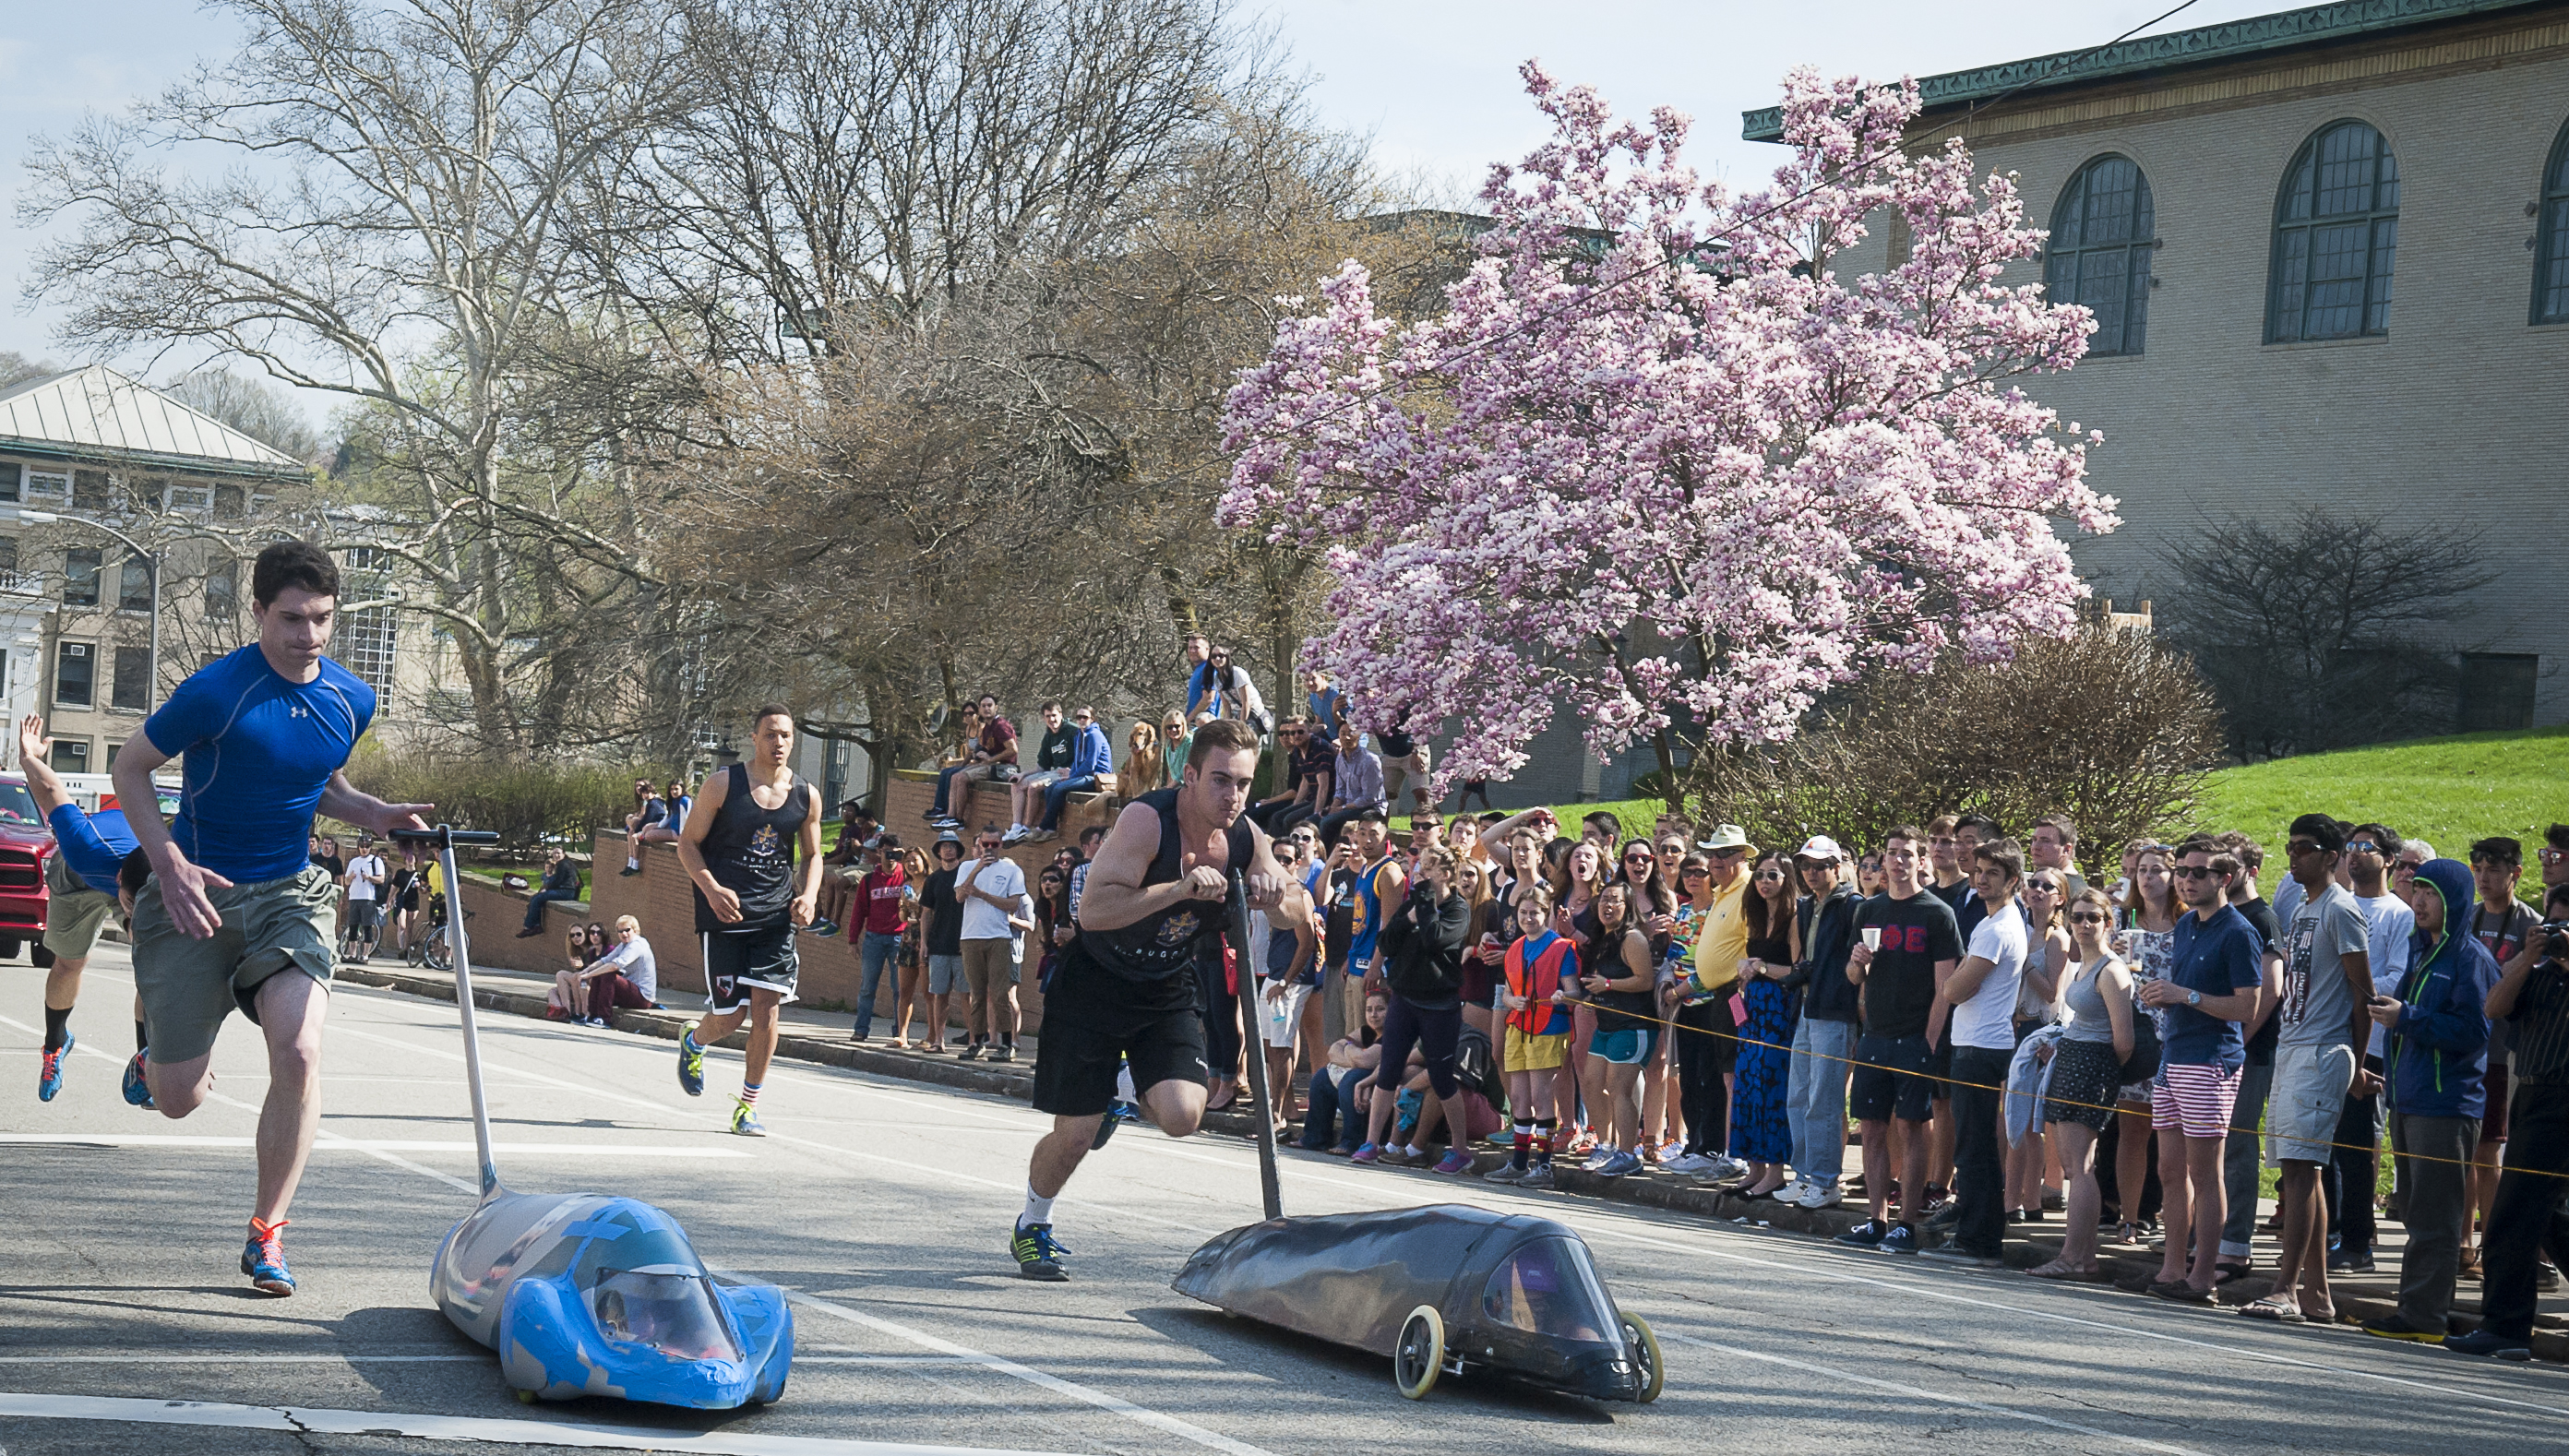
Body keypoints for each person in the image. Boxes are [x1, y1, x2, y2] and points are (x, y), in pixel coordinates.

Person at [114, 539, 430, 1297]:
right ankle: (153, 1051)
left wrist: (375, 811)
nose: (308, 636)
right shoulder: (215, 691)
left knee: (299, 1054)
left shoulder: (352, 699)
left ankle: (268, 1234)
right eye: (291, 618)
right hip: (193, 895)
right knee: (177, 1099)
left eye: (321, 619)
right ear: (258, 611)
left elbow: (320, 784)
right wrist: (167, 863)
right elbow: (130, 768)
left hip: (291, 893)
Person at [1013, 718, 1285, 1281]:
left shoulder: (1245, 836)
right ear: (1188, 776)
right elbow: (1093, 913)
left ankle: (1121, 1086)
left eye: (1243, 783)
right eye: (1219, 780)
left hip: (1163, 987)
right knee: (1076, 1135)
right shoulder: (1146, 822)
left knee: (1186, 1115)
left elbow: (1294, 907)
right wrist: (1179, 889)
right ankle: (1032, 1225)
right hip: (1095, 983)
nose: (1232, 796)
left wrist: (1276, 893)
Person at [2238, 815, 2375, 1325]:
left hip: (2323, 1050)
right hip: (2293, 1046)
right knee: (2298, 1171)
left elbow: (2363, 997)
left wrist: (2356, 1067)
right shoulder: (2302, 907)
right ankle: (2316, 1295)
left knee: (2302, 1172)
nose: (2294, 856)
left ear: (2331, 857)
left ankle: (2286, 1288)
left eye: (2305, 848)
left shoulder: (2342, 910)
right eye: (2290, 847)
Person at [2360, 857, 2500, 1343]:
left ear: (2454, 900)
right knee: (2417, 1212)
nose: (2418, 900)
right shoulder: (2422, 952)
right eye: (2416, 890)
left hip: (2446, 1106)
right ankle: (2413, 1309)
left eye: (2431, 893)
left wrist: (2409, 1017)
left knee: (2437, 1217)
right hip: (2409, 1099)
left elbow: (2474, 1031)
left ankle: (2424, 1318)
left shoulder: (2471, 959)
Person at [673, 706, 824, 1138]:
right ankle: (694, 1040)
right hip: (725, 917)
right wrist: (711, 889)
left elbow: (814, 855)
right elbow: (688, 845)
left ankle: (747, 1107)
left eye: (787, 736)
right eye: (771, 734)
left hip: (776, 917)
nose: (779, 743)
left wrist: (809, 895)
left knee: (767, 1011)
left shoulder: (806, 796)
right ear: (754, 738)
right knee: (729, 1018)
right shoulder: (723, 785)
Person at [2131, 840, 2264, 1304]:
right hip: (2174, 1054)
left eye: (2199, 872)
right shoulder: (2187, 924)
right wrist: (2160, 994)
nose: (2189, 879)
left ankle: (2204, 1275)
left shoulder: (2239, 931)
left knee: (2205, 1172)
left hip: (2211, 1060)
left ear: (2224, 878)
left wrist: (2183, 995)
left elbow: (2247, 1007)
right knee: (2170, 1170)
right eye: (2182, 871)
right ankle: (2172, 1268)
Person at [2448, 884, 2569, 1358]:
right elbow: (2494, 1006)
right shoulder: (2538, 972)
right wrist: (2528, 956)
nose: (2559, 935)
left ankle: (2506, 1325)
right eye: (2553, 924)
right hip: (2532, 1092)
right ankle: (2505, 1325)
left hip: (2563, 1099)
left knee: (2511, 1215)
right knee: (2546, 1216)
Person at [1836, 826, 1961, 1257]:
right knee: (1871, 1129)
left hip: (1914, 1038)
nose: (1899, 861)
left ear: (1920, 860)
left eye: (1908, 854)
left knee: (1912, 1127)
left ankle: (1906, 1222)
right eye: (1892, 853)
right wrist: (1857, 964)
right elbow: (1855, 979)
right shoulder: (1868, 910)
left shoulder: (1937, 914)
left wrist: (1928, 1042)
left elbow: (1945, 987)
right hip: (1875, 1035)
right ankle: (1875, 1219)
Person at [18, 713, 145, 1104]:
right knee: (68, 964)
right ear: (123, 887)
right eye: (132, 907)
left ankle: (148, 1058)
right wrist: (28, 756)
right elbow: (51, 788)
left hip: (142, 874)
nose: (134, 918)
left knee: (154, 963)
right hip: (78, 877)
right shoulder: (84, 845)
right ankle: (55, 1044)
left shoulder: (178, 864)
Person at [1922, 839, 2028, 1269]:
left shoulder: (1998, 928)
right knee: (1974, 1143)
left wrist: (1954, 980)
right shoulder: (1994, 923)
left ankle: (1980, 1240)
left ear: (2012, 881)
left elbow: (1955, 988)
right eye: (1979, 871)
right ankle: (1973, 1232)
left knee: (1975, 1147)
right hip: (1975, 1042)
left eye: (1993, 874)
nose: (1981, 879)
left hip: (1981, 1046)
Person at [2029, 888, 2135, 1281]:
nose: (2085, 924)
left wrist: (2096, 1070)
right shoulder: (2085, 965)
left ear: (2109, 923)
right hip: (2070, 1062)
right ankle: (2078, 1256)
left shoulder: (2112, 970)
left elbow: (2123, 1040)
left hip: (2091, 1069)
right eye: (2078, 917)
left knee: (2080, 1168)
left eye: (2094, 917)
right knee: (2075, 1165)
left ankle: (2076, 1257)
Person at [2327, 823, 2415, 1274]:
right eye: (2351, 848)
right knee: (2319, 1142)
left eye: (2367, 848)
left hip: (2371, 1044)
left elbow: (2398, 977)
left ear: (2389, 861)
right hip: (2322, 1038)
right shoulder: (2332, 904)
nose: (2355, 855)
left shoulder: (2398, 915)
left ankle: (2358, 1241)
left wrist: (2354, 993)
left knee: (2356, 1145)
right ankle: (2327, 1230)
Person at [2463, 836, 2538, 1278]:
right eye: (2478, 868)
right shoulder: (2466, 918)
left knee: (2488, 1154)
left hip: (2501, 1052)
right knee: (2460, 1153)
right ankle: (2461, 1241)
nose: (2484, 877)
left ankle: (2492, 1248)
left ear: (2516, 873)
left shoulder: (2530, 924)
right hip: (2461, 1048)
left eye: (2494, 869)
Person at [1777, 835, 1859, 1210]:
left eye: (1821, 865)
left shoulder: (1852, 905)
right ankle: (1805, 1175)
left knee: (1824, 1100)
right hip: (1808, 1009)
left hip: (1835, 1011)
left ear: (1837, 867)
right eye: (1806, 866)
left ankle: (1826, 1182)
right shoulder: (1807, 906)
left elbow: (1856, 961)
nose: (1812, 872)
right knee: (1797, 1096)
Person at [1563, 881, 1654, 1177]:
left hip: (1633, 1025)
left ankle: (1629, 1154)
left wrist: (1609, 985)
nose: (1608, 905)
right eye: (1603, 900)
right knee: (1590, 1082)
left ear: (1628, 908)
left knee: (1619, 1087)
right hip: (1606, 1025)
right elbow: (1601, 981)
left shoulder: (1632, 938)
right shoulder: (1604, 939)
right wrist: (1588, 996)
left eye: (1615, 900)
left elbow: (1645, 980)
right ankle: (1605, 1145)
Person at [1681, 826, 1755, 1181]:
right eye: (1711, 855)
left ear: (1741, 857)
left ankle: (1736, 1153)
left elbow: (1753, 943)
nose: (1714, 862)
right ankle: (1730, 1149)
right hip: (1718, 996)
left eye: (1723, 855)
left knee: (1736, 1073)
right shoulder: (1726, 892)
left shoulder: (1747, 891)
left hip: (1736, 995)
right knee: (1726, 1074)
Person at [1488, 888, 1575, 1187]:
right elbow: (1510, 991)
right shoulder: (1515, 948)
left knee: (1541, 1097)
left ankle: (1545, 1166)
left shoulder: (1561, 947)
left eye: (1534, 913)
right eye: (1523, 913)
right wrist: (1511, 1002)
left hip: (1548, 1026)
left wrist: (1564, 995)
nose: (1528, 918)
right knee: (1520, 1098)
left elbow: (1574, 991)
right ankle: (1519, 1163)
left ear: (1545, 913)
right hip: (1518, 1027)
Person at [1727, 850, 1800, 1198]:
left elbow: (1799, 971)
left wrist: (1760, 968)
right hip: (1752, 1010)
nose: (1764, 882)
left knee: (1772, 1089)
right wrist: (1746, 973)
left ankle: (1775, 1171)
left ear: (1787, 879)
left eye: (1773, 875)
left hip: (1778, 1011)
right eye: (1759, 875)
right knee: (1746, 1087)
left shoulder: (1795, 917)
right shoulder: (1755, 916)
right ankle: (1753, 1167)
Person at [954, 827, 1034, 1062]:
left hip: (998, 937)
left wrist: (983, 894)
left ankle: (1006, 1043)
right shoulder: (967, 867)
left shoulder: (1011, 870)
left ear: (1000, 845)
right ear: (978, 844)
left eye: (994, 845)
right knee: (976, 993)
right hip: (970, 936)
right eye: (985, 844)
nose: (989, 849)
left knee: (1000, 994)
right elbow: (959, 896)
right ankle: (976, 1041)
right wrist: (977, 868)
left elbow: (1012, 905)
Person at [1253, 861, 1320, 1128]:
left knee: (1281, 1049)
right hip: (1273, 976)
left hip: (1289, 983)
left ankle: (1276, 1116)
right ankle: (1280, 1111)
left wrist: (1285, 981)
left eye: (1287, 859)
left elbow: (1307, 944)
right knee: (1270, 1046)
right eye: (1276, 857)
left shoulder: (1300, 895)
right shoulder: (1274, 896)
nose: (1280, 864)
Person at [1301, 989, 1389, 1152]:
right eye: (1369, 1009)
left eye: (1380, 1009)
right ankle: (1315, 1138)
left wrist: (1349, 1047)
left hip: (1382, 1085)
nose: (1374, 1014)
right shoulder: (1366, 1031)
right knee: (1322, 1077)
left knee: (1352, 1078)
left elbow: (1365, 1060)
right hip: (1364, 1075)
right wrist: (1353, 1055)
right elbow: (1333, 1050)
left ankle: (1352, 1142)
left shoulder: (1392, 1034)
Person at [845, 835, 909, 1043]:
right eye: (886, 852)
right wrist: (853, 940)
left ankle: (899, 1031)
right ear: (879, 852)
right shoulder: (869, 880)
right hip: (874, 938)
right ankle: (861, 1029)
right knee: (867, 987)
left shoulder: (906, 876)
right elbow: (859, 911)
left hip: (899, 938)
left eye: (895, 852)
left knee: (899, 988)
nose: (890, 857)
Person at [926, 693, 1016, 830]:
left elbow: (1013, 750)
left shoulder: (1000, 726)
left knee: (961, 778)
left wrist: (991, 759)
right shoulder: (987, 728)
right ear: (980, 709)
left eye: (990, 705)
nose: (987, 708)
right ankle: (950, 817)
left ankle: (959, 819)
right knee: (954, 775)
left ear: (996, 708)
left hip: (1003, 768)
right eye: (983, 706)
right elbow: (983, 750)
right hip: (989, 765)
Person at [1027, 706, 1114, 843]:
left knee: (1059, 788)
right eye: (1078, 717)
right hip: (1082, 775)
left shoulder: (1094, 736)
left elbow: (1090, 765)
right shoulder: (1079, 734)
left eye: (1085, 717)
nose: (1081, 720)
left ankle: (1043, 827)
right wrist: (1072, 773)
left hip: (1095, 777)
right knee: (1051, 787)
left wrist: (1072, 776)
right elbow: (1078, 761)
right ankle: (1051, 829)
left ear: (1092, 719)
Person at [917, 834, 966, 1053]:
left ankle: (975, 1041)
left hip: (964, 944)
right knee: (940, 993)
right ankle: (939, 1040)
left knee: (967, 994)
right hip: (939, 944)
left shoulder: (966, 875)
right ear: (938, 852)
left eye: (952, 846)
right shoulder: (933, 880)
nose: (948, 850)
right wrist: (924, 943)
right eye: (944, 846)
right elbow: (926, 913)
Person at [1003, 702, 1077, 844]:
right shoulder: (1049, 736)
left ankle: (1027, 826)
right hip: (1053, 772)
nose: (1052, 720)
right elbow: (1041, 766)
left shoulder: (1072, 731)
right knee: (1017, 785)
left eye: (1054, 715)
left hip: (1067, 773)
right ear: (1044, 718)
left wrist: (1074, 770)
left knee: (1034, 786)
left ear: (1061, 715)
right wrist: (1022, 774)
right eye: (1048, 716)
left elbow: (1084, 756)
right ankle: (1016, 826)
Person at [1315, 720, 1384, 848]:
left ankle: (1324, 859)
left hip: (1370, 808)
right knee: (1312, 820)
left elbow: (1369, 798)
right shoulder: (1340, 759)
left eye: (1352, 733)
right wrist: (1333, 807)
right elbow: (1340, 790)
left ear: (1359, 735)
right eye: (1343, 733)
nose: (1347, 737)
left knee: (1327, 823)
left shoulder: (1370, 760)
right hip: (1348, 807)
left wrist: (1341, 809)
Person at [579, 915, 660, 1023]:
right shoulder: (624, 945)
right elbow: (605, 960)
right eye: (620, 931)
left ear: (635, 930)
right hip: (630, 994)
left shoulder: (637, 944)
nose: (624, 934)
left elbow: (614, 966)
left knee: (609, 975)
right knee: (600, 973)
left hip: (643, 998)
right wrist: (586, 970)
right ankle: (592, 1015)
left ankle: (604, 1019)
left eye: (627, 930)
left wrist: (589, 975)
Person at [514, 846, 582, 938]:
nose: (556, 855)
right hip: (568, 891)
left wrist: (546, 889)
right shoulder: (568, 863)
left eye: (558, 853)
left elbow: (558, 881)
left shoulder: (562, 864)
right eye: (554, 853)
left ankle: (529, 927)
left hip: (565, 892)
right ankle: (536, 925)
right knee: (537, 898)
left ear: (564, 853)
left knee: (537, 898)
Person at [338, 836, 385, 962]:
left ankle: (365, 955)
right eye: (362, 847)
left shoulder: (376, 861)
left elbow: (381, 879)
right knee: (353, 926)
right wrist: (351, 877)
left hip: (368, 897)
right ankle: (352, 955)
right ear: (358, 847)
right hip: (354, 897)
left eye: (367, 847)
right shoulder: (354, 862)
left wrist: (369, 877)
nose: (364, 849)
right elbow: (346, 881)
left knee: (367, 927)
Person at [619, 777, 665, 877]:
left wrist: (635, 829)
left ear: (652, 792)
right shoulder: (648, 802)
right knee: (631, 833)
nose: (644, 795)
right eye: (643, 793)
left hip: (655, 829)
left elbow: (647, 820)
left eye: (646, 793)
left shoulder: (654, 804)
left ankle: (635, 865)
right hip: (649, 827)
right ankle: (630, 864)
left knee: (635, 836)